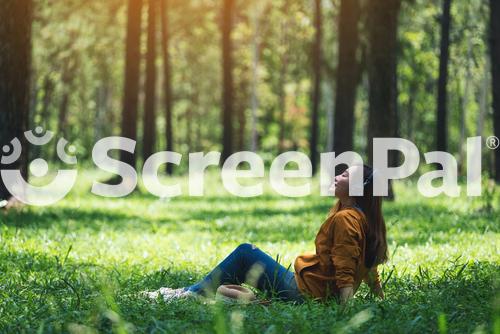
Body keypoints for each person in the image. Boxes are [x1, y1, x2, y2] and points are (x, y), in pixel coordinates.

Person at [147, 164, 387, 304]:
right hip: (310, 287)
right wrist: (379, 297)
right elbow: (368, 262)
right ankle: (190, 291)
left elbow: (346, 266)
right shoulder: (359, 216)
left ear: (357, 187)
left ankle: (185, 294)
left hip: (304, 292)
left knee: (245, 252)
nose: (337, 176)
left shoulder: (346, 219)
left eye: (344, 176)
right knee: (244, 258)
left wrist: (342, 311)